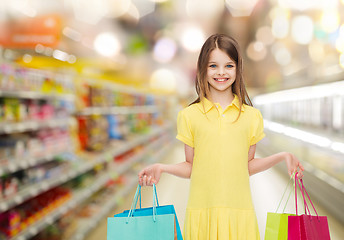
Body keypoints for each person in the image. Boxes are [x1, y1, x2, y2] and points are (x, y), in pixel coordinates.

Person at [138, 33, 304, 240]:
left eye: (229, 66)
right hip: (202, 213)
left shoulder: (251, 116)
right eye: (213, 66)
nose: (221, 73)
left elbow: (247, 165)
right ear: (203, 69)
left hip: (239, 213)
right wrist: (163, 167)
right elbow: (192, 166)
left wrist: (282, 156)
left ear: (238, 69)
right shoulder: (189, 116)